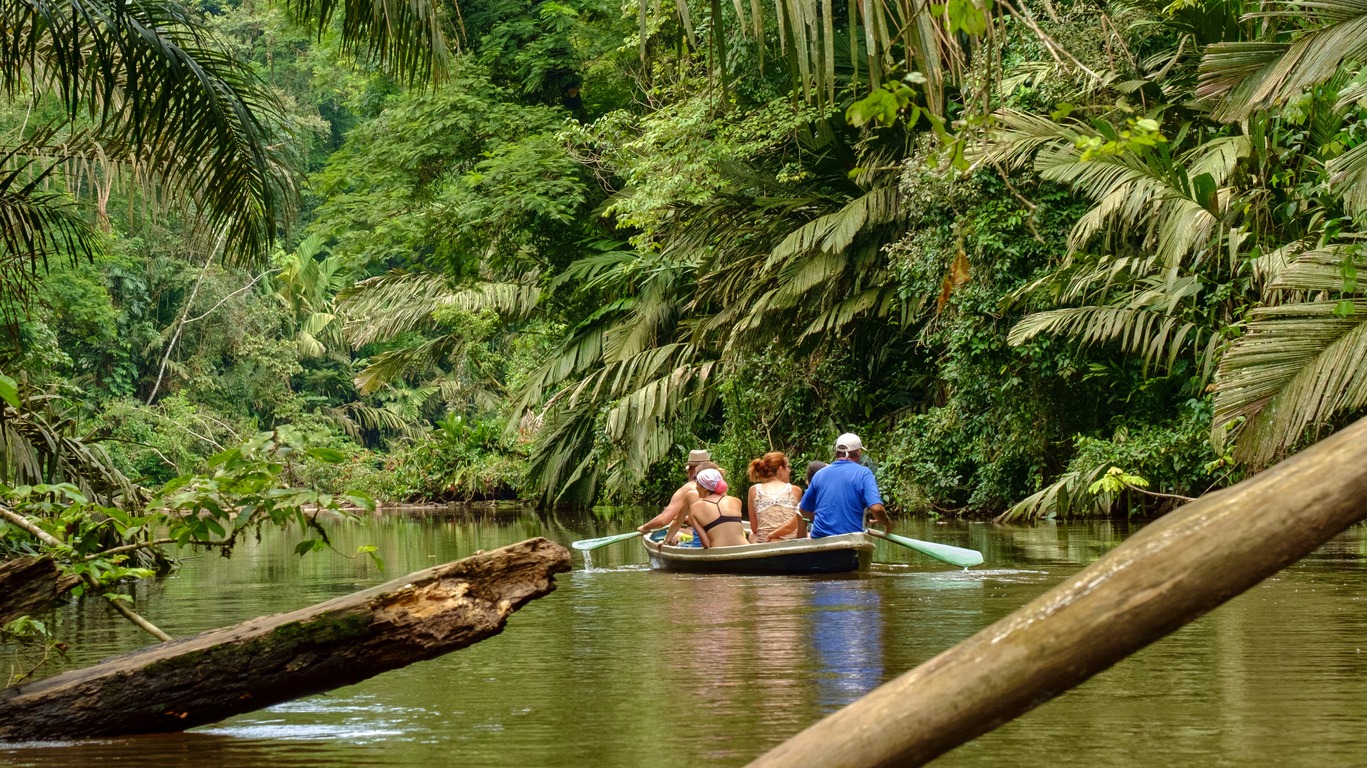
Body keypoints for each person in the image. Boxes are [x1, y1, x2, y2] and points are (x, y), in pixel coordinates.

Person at [800, 434, 891, 538]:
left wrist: (823, 522)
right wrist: (887, 523)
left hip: (820, 539)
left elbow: (804, 510)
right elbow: (877, 509)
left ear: (836, 453)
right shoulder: (864, 473)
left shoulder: (819, 474)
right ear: (858, 453)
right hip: (850, 540)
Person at [665, 468, 747, 548]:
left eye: (697, 484)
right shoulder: (736, 501)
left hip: (718, 552)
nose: (696, 487)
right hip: (744, 548)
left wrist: (665, 542)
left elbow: (706, 544)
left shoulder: (696, 508)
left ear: (704, 488)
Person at [638, 449, 711, 536]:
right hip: (718, 533)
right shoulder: (718, 486)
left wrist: (644, 527)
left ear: (690, 470)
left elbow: (663, 520)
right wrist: (686, 519)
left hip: (703, 536)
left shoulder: (688, 488)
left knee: (667, 531)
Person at [747, 451, 804, 543]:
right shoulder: (795, 490)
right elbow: (800, 524)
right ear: (781, 469)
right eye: (788, 467)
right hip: (790, 542)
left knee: (752, 535)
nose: (790, 470)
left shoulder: (753, 490)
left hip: (766, 542)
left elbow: (754, 528)